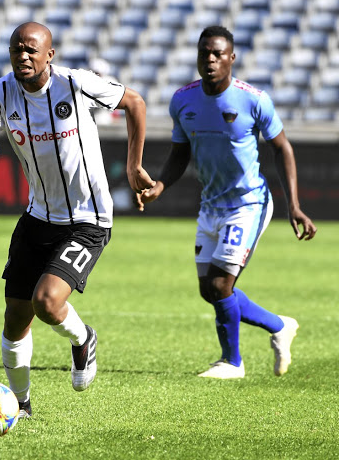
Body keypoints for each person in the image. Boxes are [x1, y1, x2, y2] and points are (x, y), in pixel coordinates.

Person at [0, 22, 154, 416]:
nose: (24, 55)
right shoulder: (0, 91)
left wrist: (134, 165)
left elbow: (135, 102)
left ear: (50, 55)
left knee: (47, 302)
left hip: (89, 218)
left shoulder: (76, 84)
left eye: (32, 49)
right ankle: (21, 405)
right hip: (37, 216)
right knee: (16, 317)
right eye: (17, 49)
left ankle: (83, 339)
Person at [136, 26, 317, 379]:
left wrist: (294, 205)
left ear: (232, 58)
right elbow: (180, 152)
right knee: (211, 290)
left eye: (218, 53)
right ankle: (279, 326)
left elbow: (283, 149)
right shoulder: (182, 100)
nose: (211, 59)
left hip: (249, 204)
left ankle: (232, 362)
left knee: (221, 285)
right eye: (205, 53)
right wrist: (160, 184)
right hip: (211, 205)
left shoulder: (254, 99)